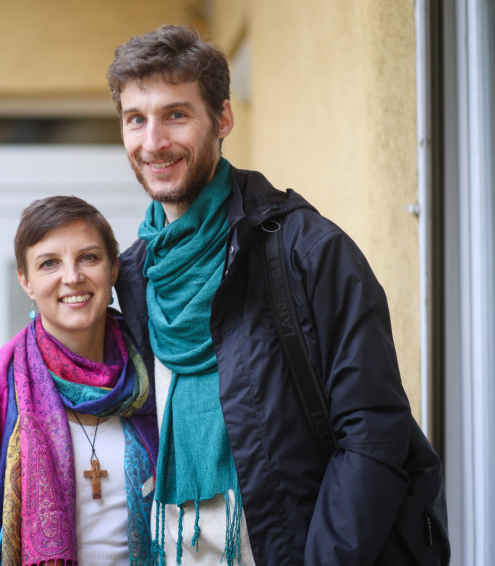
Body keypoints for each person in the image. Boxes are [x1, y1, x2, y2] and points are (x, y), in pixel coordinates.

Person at [108, 24, 438, 565]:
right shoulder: (135, 275)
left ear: (223, 119)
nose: (153, 142)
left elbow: (373, 433)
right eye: (135, 119)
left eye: (176, 114)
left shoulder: (306, 251)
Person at [0, 196, 159, 566]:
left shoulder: (156, 375)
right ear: (25, 281)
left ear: (113, 269)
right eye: (50, 263)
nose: (72, 276)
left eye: (89, 257)